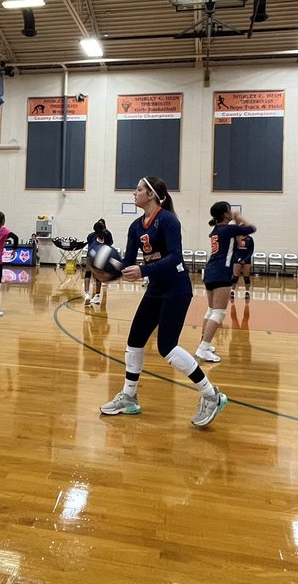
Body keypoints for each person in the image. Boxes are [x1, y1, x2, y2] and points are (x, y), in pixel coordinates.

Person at [97, 176, 228, 428]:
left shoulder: (168, 221)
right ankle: (129, 397)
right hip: (156, 289)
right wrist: (108, 272)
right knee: (134, 341)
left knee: (167, 347)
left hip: (176, 289)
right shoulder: (136, 226)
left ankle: (212, 395)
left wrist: (144, 272)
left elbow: (175, 258)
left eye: (138, 189)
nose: (134, 193)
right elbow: (128, 263)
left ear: (152, 195)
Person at [196, 202, 255, 363]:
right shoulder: (228, 229)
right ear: (225, 213)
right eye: (229, 210)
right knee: (219, 312)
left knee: (210, 310)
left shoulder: (216, 230)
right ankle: (202, 349)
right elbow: (251, 228)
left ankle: (204, 344)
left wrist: (234, 221)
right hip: (221, 272)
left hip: (210, 271)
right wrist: (238, 217)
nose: (232, 212)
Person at [83, 218, 114, 306]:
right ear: (104, 227)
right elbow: (109, 245)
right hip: (100, 256)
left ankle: (87, 294)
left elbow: (90, 246)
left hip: (91, 254)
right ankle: (97, 295)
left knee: (87, 274)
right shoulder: (107, 235)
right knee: (98, 275)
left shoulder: (90, 235)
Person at [230, 229, 255, 300]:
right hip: (237, 259)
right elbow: (234, 250)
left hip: (246, 260)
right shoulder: (236, 238)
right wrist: (239, 260)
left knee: (246, 277)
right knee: (235, 276)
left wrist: (245, 260)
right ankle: (232, 291)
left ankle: (247, 292)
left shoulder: (249, 239)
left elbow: (251, 251)